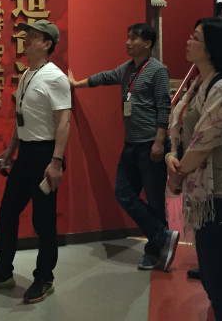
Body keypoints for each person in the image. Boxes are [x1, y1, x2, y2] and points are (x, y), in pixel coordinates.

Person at [0, 20, 71, 304]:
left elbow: (64, 122)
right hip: (25, 153)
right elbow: (22, 118)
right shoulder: (27, 74)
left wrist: (56, 161)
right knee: (7, 213)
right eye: (26, 35)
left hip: (45, 154)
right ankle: (3, 271)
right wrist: (11, 148)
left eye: (33, 36)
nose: (25, 39)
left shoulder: (55, 77)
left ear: (47, 44)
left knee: (43, 220)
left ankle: (44, 278)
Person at [68, 23, 178, 271]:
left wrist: (159, 142)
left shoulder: (158, 70)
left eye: (133, 38)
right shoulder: (127, 69)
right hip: (131, 145)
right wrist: (76, 84)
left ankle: (154, 250)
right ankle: (162, 236)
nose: (128, 42)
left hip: (150, 144)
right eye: (127, 37)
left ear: (147, 43)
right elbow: (103, 77)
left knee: (154, 200)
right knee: (124, 193)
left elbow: (164, 106)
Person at [167, 18, 222, 320]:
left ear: (214, 47)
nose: (188, 41)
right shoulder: (200, 82)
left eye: (196, 38)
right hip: (205, 194)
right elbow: (181, 127)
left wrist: (178, 171)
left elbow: (203, 142)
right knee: (214, 279)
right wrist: (172, 156)